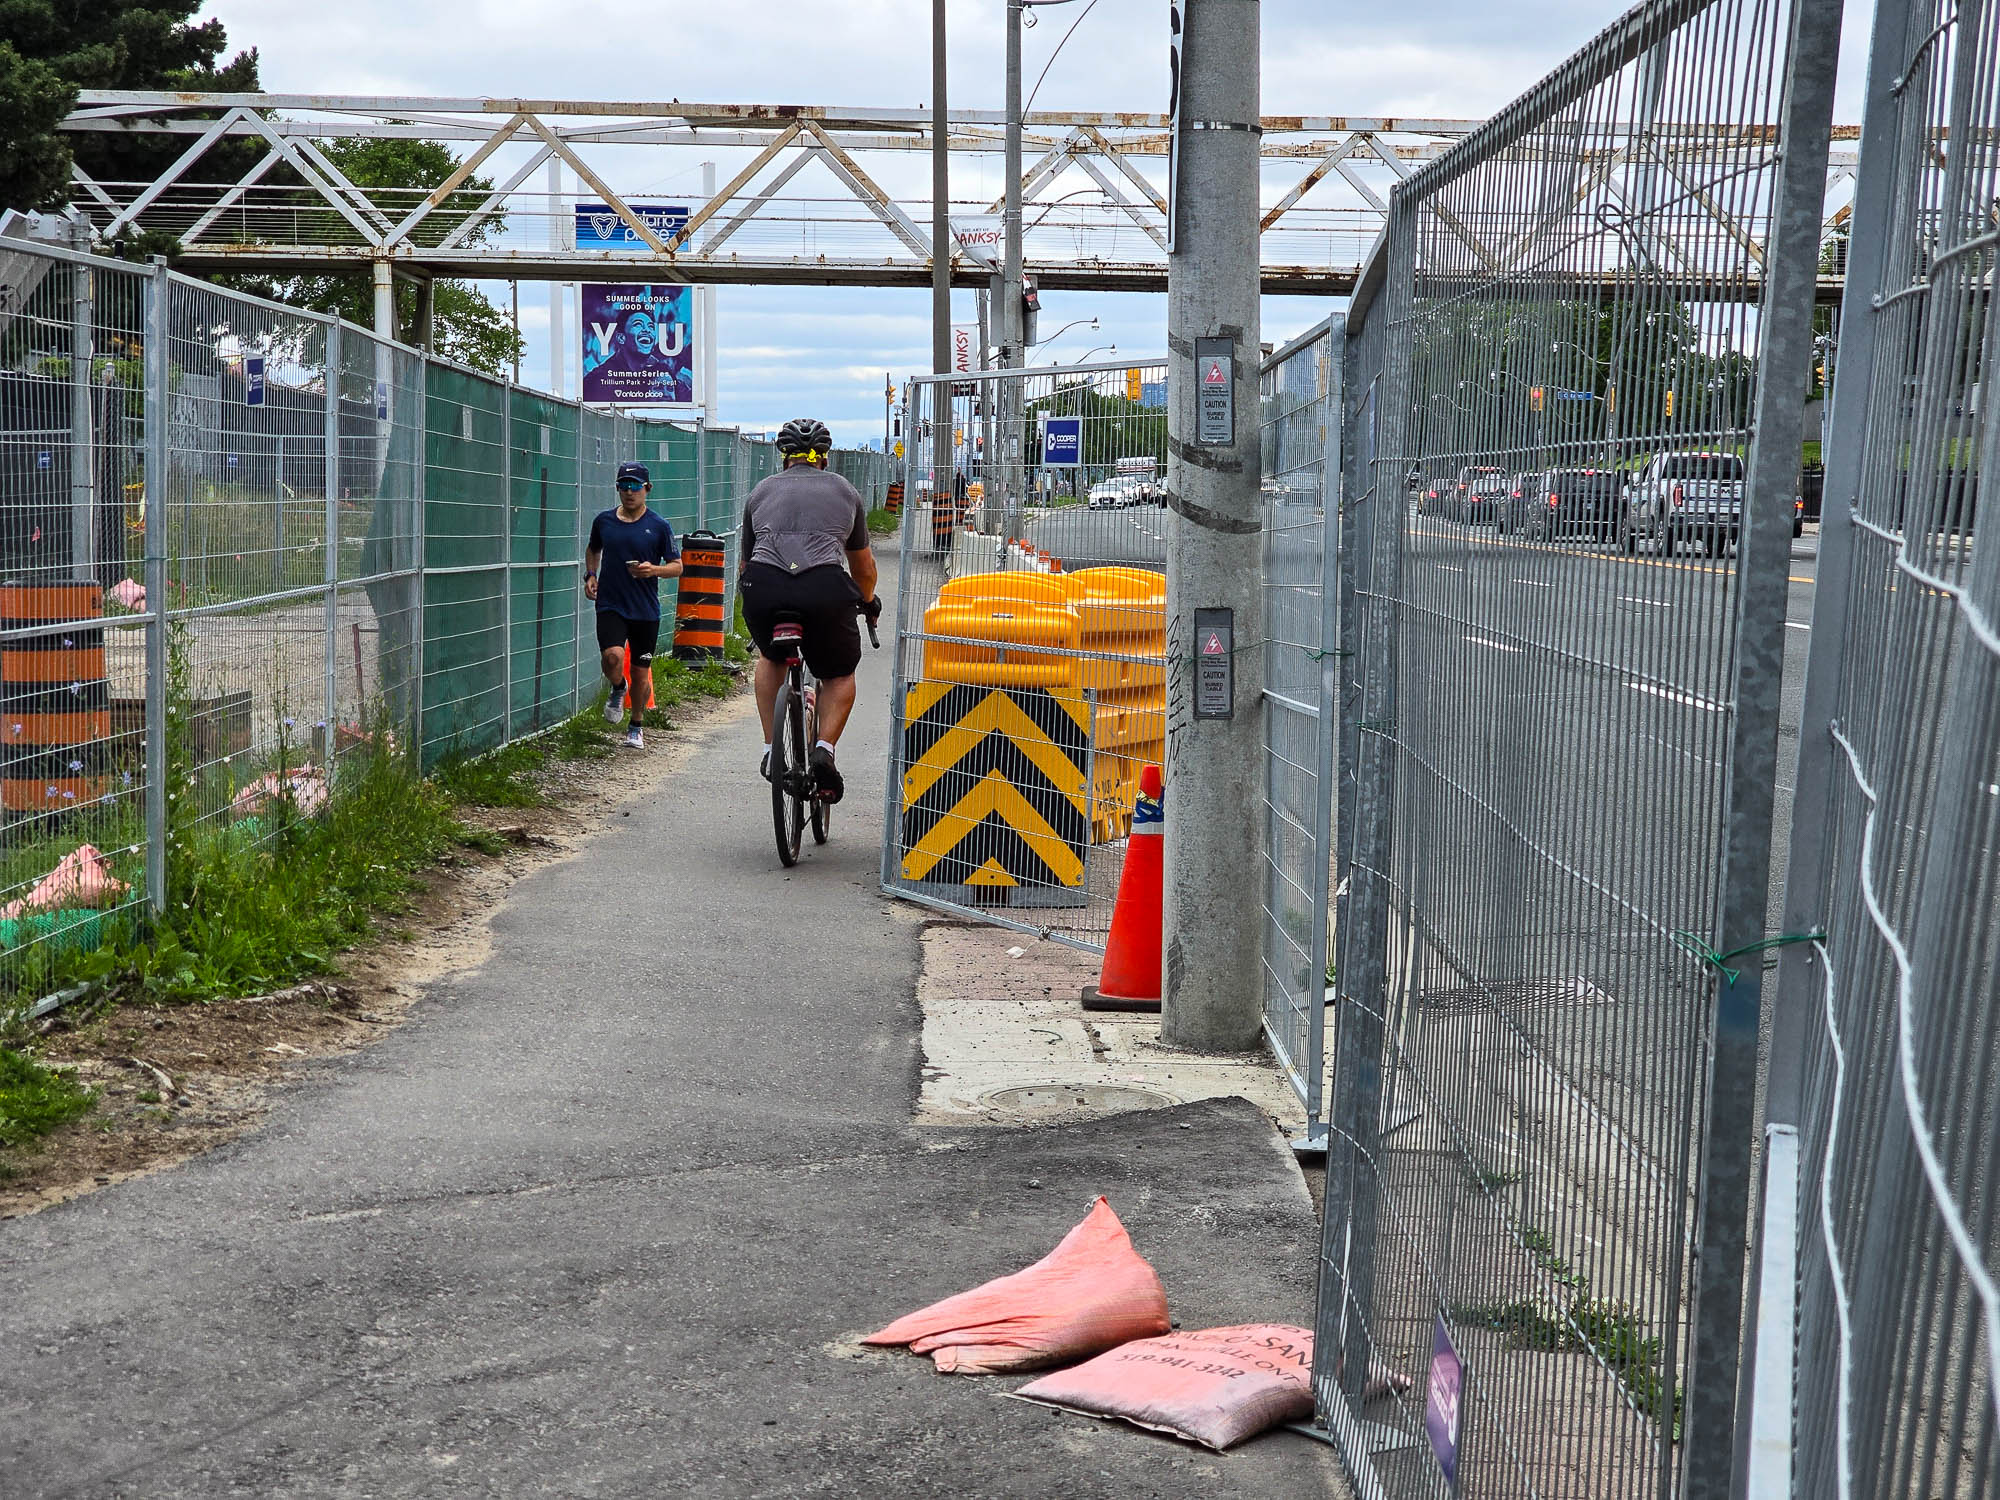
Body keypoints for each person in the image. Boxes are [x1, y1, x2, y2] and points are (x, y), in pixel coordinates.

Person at [737, 417, 880, 803]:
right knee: (838, 674)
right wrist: (867, 603)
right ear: (825, 458)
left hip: (763, 586)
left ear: (784, 457)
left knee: (771, 657)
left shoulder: (760, 491)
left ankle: (772, 749)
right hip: (824, 588)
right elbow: (863, 568)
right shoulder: (845, 491)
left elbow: (745, 565)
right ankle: (824, 751)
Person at [584, 461, 683, 749]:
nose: (629, 493)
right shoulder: (604, 521)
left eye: (635, 487)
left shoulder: (658, 526)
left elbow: (677, 567)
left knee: (641, 673)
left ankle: (636, 725)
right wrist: (591, 574)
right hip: (611, 603)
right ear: (617, 489)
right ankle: (617, 687)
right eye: (623, 487)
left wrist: (653, 570)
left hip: (645, 609)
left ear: (647, 489)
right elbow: (593, 548)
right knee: (612, 658)